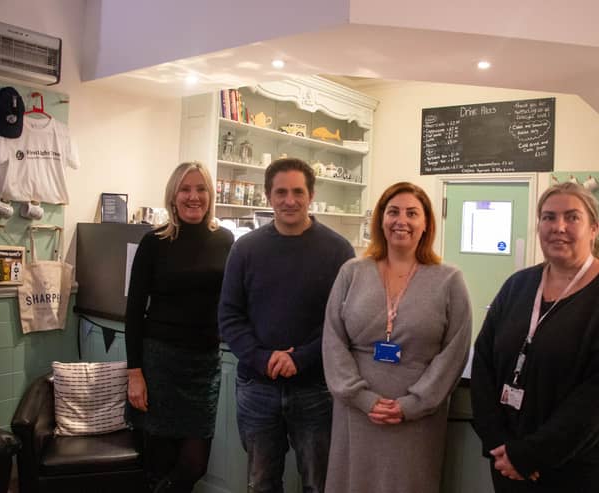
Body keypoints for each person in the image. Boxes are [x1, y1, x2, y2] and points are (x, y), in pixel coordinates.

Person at [322, 181, 472, 493]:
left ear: (427, 223)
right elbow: (333, 340)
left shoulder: (449, 280)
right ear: (380, 220)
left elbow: (455, 351)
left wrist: (414, 404)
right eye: (393, 212)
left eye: (412, 213)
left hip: (417, 420)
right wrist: (361, 397)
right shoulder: (352, 272)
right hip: (357, 413)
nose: (401, 220)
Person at [218, 157, 355, 493]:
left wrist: (301, 357)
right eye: (281, 192)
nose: (289, 200)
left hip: (316, 389)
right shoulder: (245, 249)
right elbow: (230, 316)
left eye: (297, 191)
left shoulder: (339, 250)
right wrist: (263, 358)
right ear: (268, 196)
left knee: (318, 483)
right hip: (257, 388)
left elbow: (344, 321)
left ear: (311, 195)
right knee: (261, 483)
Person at [471, 182, 599, 492]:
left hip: (571, 467)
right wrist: (498, 443)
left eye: (572, 217)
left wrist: (529, 455)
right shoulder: (518, 286)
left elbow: (593, 398)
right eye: (548, 217)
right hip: (505, 460)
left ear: (594, 228)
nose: (559, 227)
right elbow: (484, 361)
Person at [125, 162, 234, 493]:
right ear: (173, 196)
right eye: (185, 189)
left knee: (193, 465)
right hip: (160, 364)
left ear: (210, 195)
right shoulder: (153, 242)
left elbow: (237, 297)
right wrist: (135, 373)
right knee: (159, 463)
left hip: (204, 366)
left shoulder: (225, 239)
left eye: (201, 189)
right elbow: (133, 311)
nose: (194, 196)